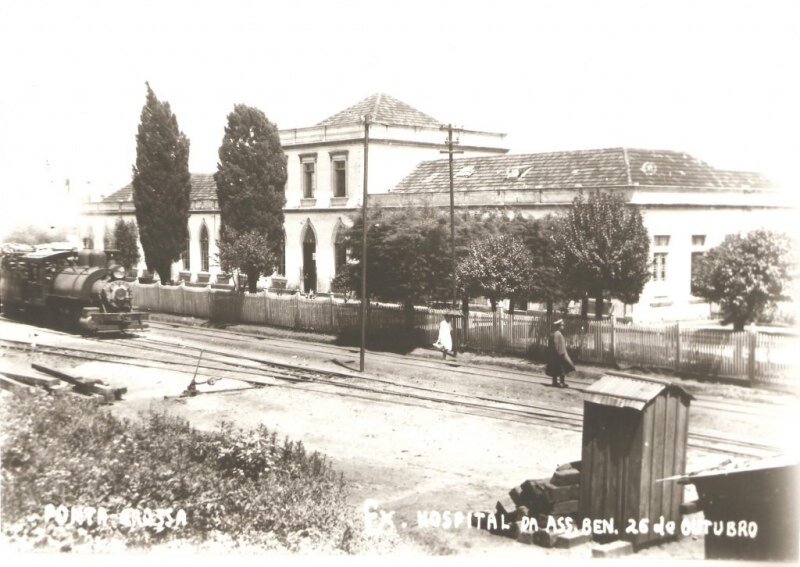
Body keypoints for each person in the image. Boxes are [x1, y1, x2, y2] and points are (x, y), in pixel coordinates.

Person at [546, 319, 574, 387]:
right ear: (559, 326)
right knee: (562, 369)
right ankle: (561, 383)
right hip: (559, 355)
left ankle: (555, 382)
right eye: (562, 325)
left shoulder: (554, 333)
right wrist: (560, 354)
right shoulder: (558, 334)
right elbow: (556, 345)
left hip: (555, 356)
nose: (563, 326)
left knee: (555, 369)